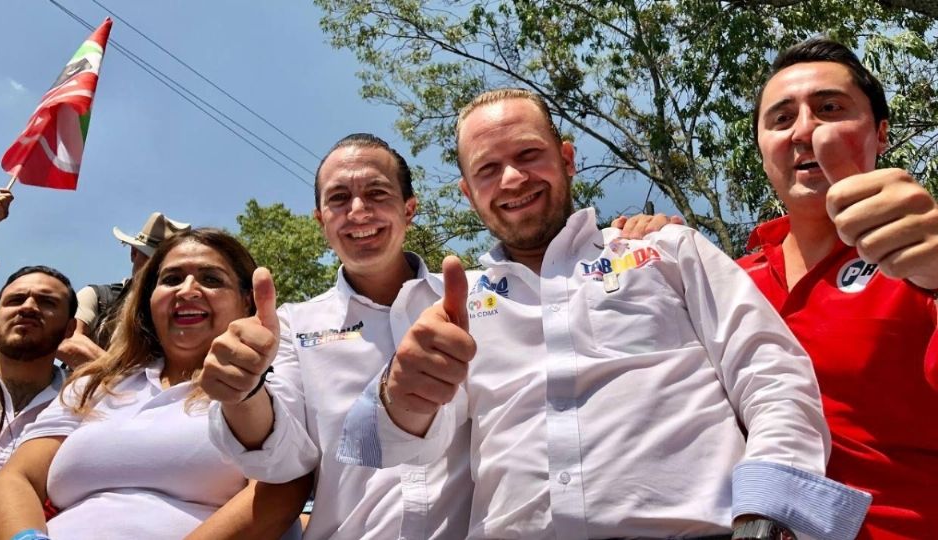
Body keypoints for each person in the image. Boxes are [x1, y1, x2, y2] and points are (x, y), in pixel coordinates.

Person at [340, 88, 870, 539]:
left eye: (528, 155)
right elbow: (393, 449)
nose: (511, 179)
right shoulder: (452, 306)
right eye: (487, 169)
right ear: (468, 192)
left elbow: (771, 372)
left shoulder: (667, 250)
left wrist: (771, 512)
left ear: (567, 158)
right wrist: (400, 393)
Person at [620, 37, 938, 539]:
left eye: (830, 109)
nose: (805, 131)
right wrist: (647, 264)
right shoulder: (725, 281)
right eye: (781, 118)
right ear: (763, 150)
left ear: (881, 133)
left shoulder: (926, 260)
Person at [200, 133, 473, 539]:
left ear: (409, 209)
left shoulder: (481, 302)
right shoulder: (291, 326)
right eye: (339, 198)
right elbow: (284, 463)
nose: (358, 211)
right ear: (321, 219)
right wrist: (244, 394)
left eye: (377, 193)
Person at [0, 229, 306, 539]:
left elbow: (281, 492)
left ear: (246, 301)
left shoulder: (273, 379)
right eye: (172, 279)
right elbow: (12, 481)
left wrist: (248, 391)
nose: (187, 290)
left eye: (210, 279)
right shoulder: (95, 384)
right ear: (149, 301)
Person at [0, 267, 75, 540]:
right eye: (15, 300)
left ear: (70, 329)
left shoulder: (86, 408)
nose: (28, 307)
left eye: (47, 302)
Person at [57, 212, 190, 368]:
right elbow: (66, 340)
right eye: (149, 259)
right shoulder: (99, 297)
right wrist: (127, 382)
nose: (154, 269)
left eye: (164, 264)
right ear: (133, 253)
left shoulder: (186, 312)